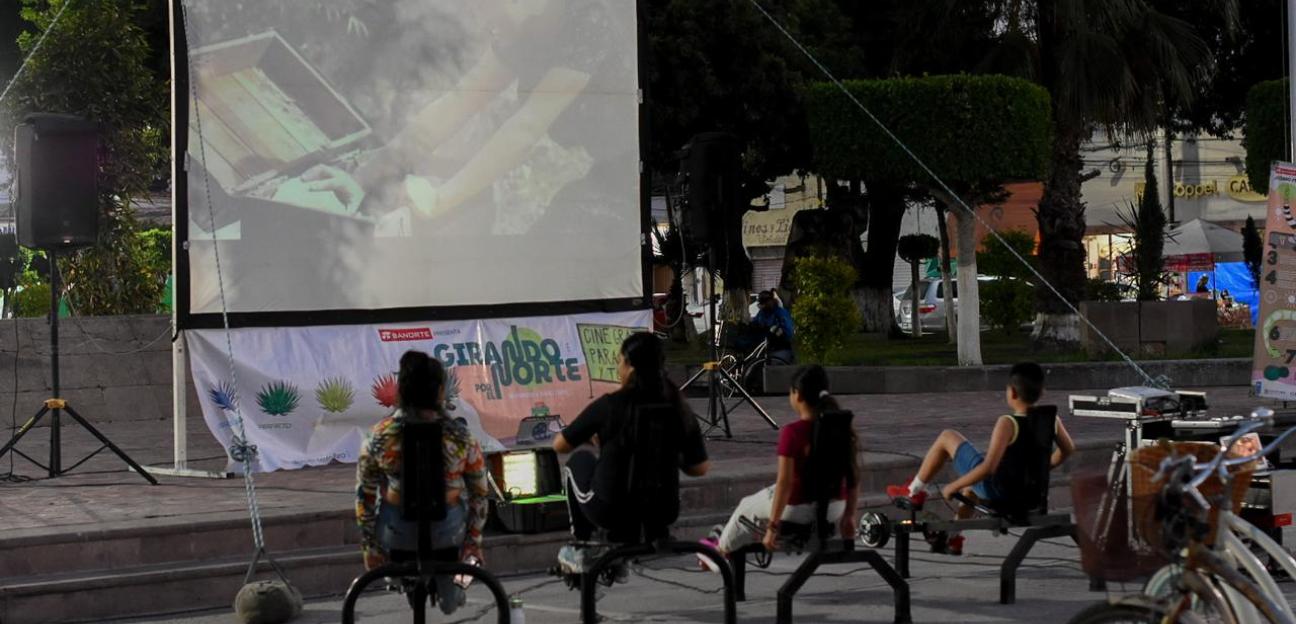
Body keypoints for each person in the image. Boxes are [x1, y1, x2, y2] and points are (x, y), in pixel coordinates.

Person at [552, 332, 710, 573]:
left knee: (578, 461)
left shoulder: (610, 405)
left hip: (611, 509)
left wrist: (595, 437)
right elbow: (699, 468)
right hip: (662, 511)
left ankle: (581, 546)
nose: (618, 369)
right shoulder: (678, 407)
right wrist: (664, 450)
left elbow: (561, 445)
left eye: (619, 362)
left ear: (629, 365)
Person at [885, 362, 1075, 554]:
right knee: (971, 489)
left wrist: (954, 485)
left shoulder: (1008, 423)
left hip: (999, 491)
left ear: (1013, 393)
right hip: (1029, 495)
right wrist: (1038, 471)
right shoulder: (1052, 421)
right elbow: (1068, 450)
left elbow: (988, 468)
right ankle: (953, 540)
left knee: (947, 436)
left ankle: (913, 491)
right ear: (1042, 392)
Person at [355, 351, 489, 615]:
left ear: (401, 391)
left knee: (384, 498)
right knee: (463, 506)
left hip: (395, 535)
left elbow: (364, 498)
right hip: (449, 533)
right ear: (440, 392)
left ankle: (394, 577)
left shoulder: (378, 437)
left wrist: (370, 549)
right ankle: (455, 581)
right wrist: (473, 542)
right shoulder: (461, 437)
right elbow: (480, 495)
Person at [702, 365, 859, 560]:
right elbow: (852, 474)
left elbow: (785, 483)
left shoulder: (793, 432)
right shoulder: (841, 427)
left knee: (745, 507)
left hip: (798, 507)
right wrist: (850, 515)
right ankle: (725, 541)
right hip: (836, 506)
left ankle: (719, 552)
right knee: (766, 498)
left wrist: (773, 527)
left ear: (798, 395)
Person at [749, 290, 795, 363]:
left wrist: (778, 332)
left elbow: (789, 332)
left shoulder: (781, 313)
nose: (763, 306)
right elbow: (755, 323)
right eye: (761, 304)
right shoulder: (762, 313)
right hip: (764, 348)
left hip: (780, 348)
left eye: (764, 303)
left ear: (771, 301)